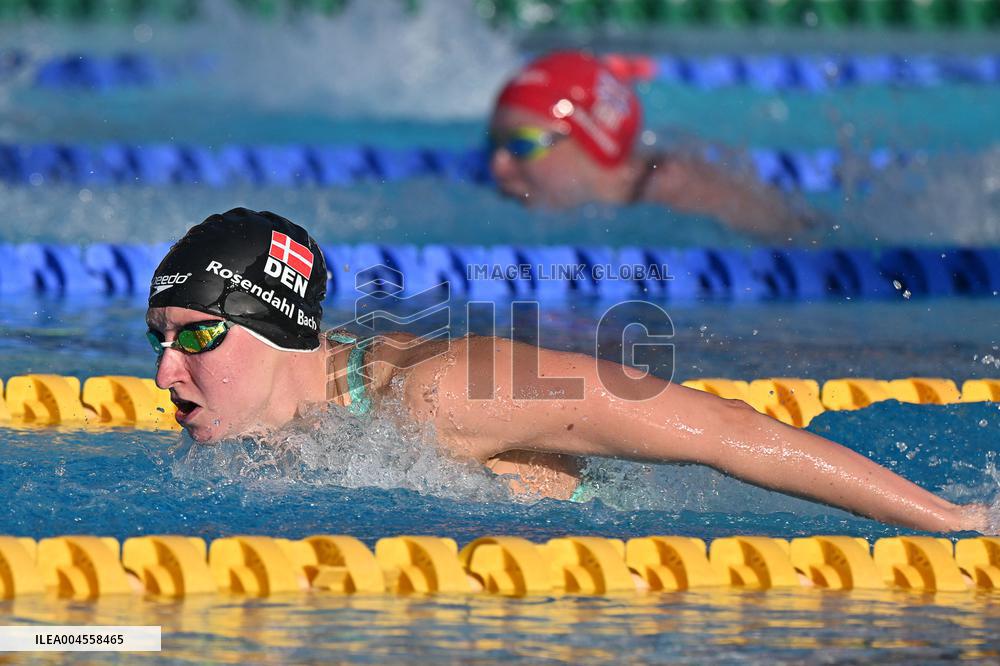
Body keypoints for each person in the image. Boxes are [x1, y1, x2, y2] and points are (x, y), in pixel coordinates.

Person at [147, 208, 987, 533]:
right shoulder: (275, 439)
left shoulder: (443, 392)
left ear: (279, 331)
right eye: (157, 339)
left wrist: (954, 522)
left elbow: (727, 434)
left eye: (195, 338)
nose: (164, 374)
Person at [488, 51, 813, 236]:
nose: (497, 165)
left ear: (595, 141)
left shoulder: (678, 188)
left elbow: (803, 239)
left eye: (521, 145)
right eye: (493, 146)